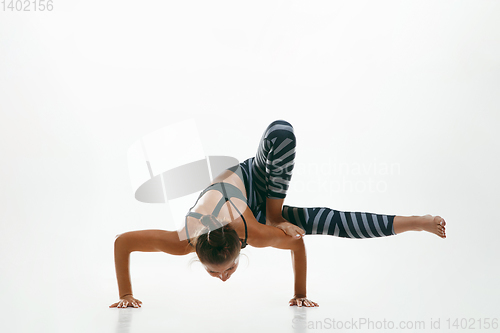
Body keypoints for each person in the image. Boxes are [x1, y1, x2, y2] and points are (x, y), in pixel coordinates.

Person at [109, 120, 446, 309]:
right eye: (219, 273)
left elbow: (123, 242)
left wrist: (275, 218)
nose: (224, 277)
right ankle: (416, 222)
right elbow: (122, 243)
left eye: (223, 271)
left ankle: (274, 211)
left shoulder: (252, 233)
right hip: (245, 208)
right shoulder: (185, 240)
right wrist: (125, 295)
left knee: (282, 133)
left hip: (254, 180)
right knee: (327, 221)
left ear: (241, 246)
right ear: (198, 252)